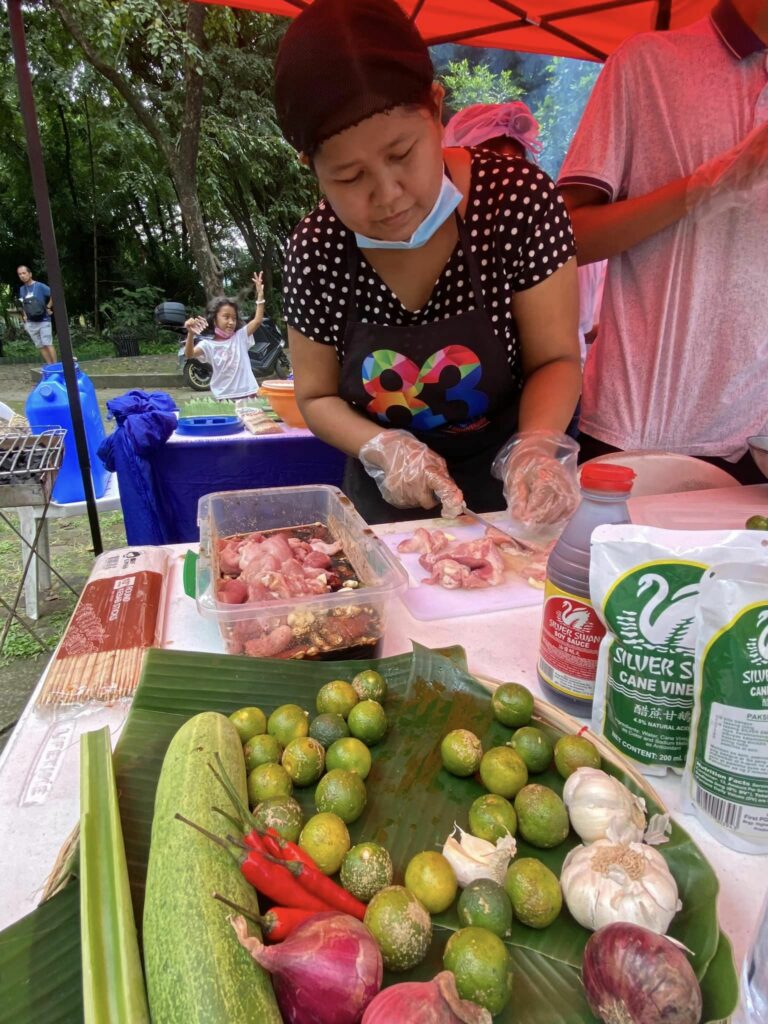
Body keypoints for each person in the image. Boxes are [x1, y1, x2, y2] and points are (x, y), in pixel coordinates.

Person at [276, 0, 582, 526]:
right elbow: (316, 394)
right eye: (350, 177)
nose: (388, 194)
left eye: (401, 154)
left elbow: (555, 359)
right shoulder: (317, 250)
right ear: (311, 167)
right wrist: (383, 447)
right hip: (390, 501)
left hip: (516, 496)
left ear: (437, 109)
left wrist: (533, 448)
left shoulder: (517, 201)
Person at [558, 0, 768, 483]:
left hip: (758, 440)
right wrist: (700, 189)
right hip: (646, 428)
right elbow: (565, 240)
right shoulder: (648, 64)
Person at [443, 102, 607, 368]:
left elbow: (577, 328)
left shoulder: (550, 233)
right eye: (486, 175)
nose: (503, 191)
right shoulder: (433, 234)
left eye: (512, 174)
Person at [184, 272, 265, 401]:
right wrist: (190, 334)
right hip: (224, 397)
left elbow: (257, 321)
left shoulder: (240, 337)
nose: (231, 322)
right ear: (214, 319)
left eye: (234, 318)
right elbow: (189, 355)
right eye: (226, 317)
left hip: (249, 393)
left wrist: (260, 296)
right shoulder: (208, 345)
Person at [17, 265, 56, 365]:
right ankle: (49, 366)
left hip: (44, 320)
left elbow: (54, 293)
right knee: (40, 346)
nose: (22, 276)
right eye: (20, 274)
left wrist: (48, 307)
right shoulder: (22, 289)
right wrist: (24, 316)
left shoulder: (40, 286)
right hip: (31, 322)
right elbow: (23, 304)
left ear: (30, 274)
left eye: (24, 273)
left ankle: (55, 367)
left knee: (47, 343)